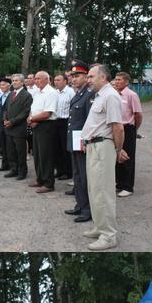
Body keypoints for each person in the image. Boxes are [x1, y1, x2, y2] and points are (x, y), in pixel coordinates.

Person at [80, 64, 124, 250]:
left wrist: (118, 150)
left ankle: (109, 235)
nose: (88, 80)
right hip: (94, 146)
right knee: (94, 189)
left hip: (103, 146)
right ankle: (100, 226)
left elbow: (118, 127)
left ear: (103, 77)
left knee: (103, 192)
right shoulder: (101, 96)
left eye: (91, 76)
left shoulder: (111, 96)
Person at [65, 62, 94, 223]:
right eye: (73, 76)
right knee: (77, 175)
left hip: (82, 141)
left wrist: (86, 140)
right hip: (74, 140)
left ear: (86, 77)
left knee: (84, 176)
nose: (74, 79)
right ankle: (80, 205)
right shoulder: (78, 94)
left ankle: (88, 209)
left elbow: (90, 121)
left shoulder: (89, 94)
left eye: (78, 76)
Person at [27, 71, 58, 193]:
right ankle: (40, 179)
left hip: (46, 125)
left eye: (39, 78)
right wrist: (31, 118)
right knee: (38, 154)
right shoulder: (37, 92)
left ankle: (49, 183)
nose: (36, 80)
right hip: (36, 125)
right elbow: (34, 109)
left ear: (47, 79)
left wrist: (32, 119)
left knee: (46, 155)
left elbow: (47, 113)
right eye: (35, 78)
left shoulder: (51, 92)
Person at [114, 72, 143, 197]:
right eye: (115, 79)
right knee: (117, 155)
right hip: (116, 128)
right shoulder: (114, 94)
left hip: (128, 128)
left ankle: (128, 186)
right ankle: (119, 184)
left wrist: (134, 128)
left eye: (119, 79)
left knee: (128, 157)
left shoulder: (131, 95)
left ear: (126, 82)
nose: (116, 81)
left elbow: (138, 114)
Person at [4, 74, 33, 180]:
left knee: (20, 151)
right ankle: (13, 169)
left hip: (19, 128)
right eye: (13, 80)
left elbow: (25, 112)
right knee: (11, 151)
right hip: (9, 127)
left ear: (22, 82)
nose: (14, 82)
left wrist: (12, 121)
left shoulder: (26, 95)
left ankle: (22, 171)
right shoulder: (11, 94)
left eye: (16, 80)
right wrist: (5, 119)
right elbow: (6, 109)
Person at [53, 74, 74, 180]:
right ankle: (59, 169)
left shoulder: (70, 92)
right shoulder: (54, 92)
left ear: (65, 81)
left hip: (66, 122)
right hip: (55, 121)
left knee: (65, 148)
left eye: (58, 80)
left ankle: (68, 171)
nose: (56, 82)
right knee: (56, 147)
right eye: (55, 80)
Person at [0, 77, 12, 172]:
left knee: (10, 146)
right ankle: (4, 164)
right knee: (3, 145)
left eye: (3, 85)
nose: (1, 87)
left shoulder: (12, 96)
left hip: (9, 123)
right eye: (0, 85)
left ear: (8, 86)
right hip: (1, 123)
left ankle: (11, 165)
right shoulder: (2, 96)